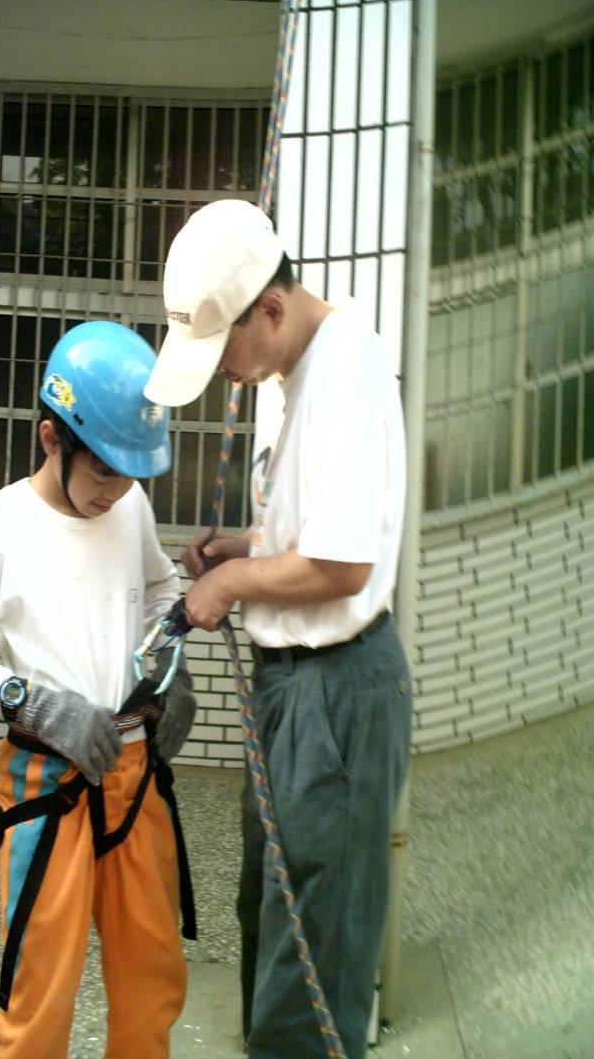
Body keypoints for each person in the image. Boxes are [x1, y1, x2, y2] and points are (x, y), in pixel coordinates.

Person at [144, 199, 413, 1059]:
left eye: (223, 349)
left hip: (334, 687)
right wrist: (245, 548)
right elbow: (313, 535)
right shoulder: (297, 374)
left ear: (269, 307)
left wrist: (229, 582)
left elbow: (342, 567)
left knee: (311, 943)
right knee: (272, 906)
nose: (224, 370)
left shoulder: (346, 372)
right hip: (296, 686)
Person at [0, 320, 197, 1059]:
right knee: (40, 992)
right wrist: (27, 702)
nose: (117, 490)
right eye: (102, 471)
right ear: (50, 438)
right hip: (48, 781)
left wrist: (171, 664)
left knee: (152, 982)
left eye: (130, 473)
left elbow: (162, 587)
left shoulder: (129, 506)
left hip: (134, 775)